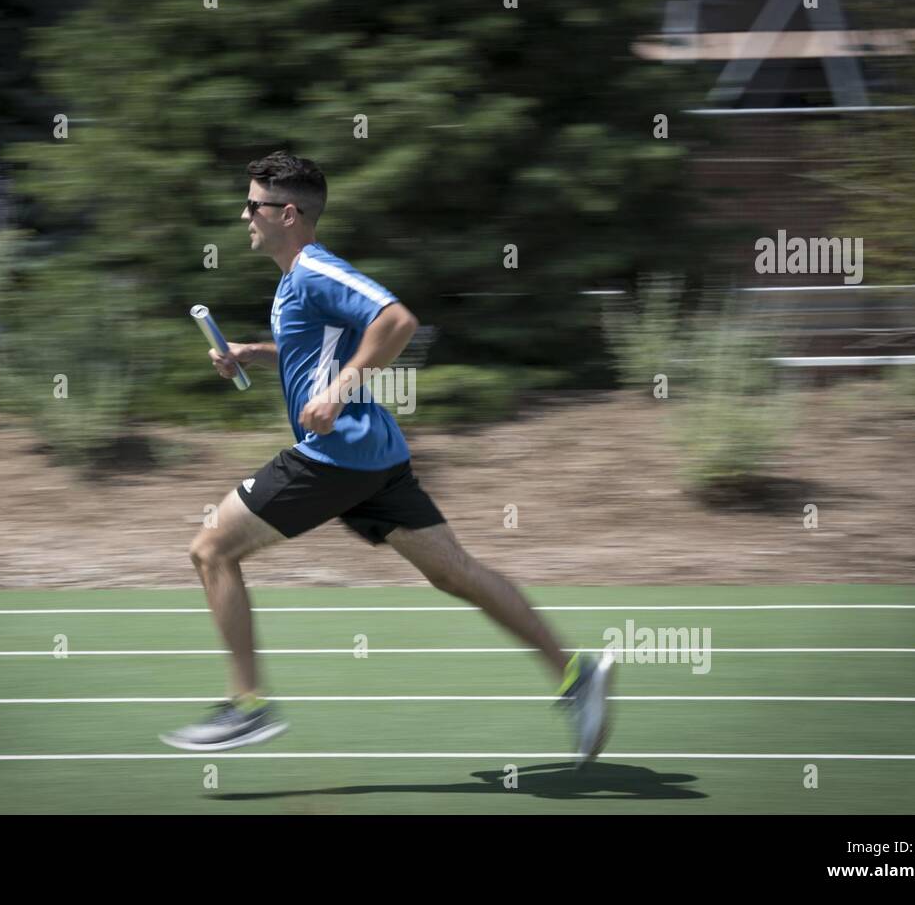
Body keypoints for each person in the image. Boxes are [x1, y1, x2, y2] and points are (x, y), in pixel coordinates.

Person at [161, 151, 615, 766]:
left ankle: (246, 706)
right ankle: (576, 675)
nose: (244, 214)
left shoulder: (317, 270)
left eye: (253, 205)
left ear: (287, 213)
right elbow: (318, 353)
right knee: (455, 572)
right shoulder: (294, 281)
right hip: (371, 458)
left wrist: (340, 390)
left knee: (210, 549)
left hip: (334, 454)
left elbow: (397, 319)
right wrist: (252, 351)